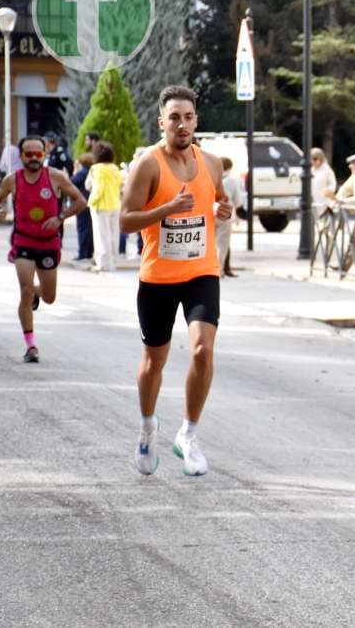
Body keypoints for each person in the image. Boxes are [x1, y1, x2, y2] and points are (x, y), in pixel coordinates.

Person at [120, 85, 233, 476]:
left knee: (203, 350)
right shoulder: (148, 165)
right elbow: (125, 219)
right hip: (158, 277)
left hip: (201, 271)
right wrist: (166, 208)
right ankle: (149, 427)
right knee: (155, 360)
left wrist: (224, 207)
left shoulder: (213, 162)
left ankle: (188, 434)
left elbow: (216, 198)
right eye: (174, 118)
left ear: (196, 121)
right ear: (161, 122)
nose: (181, 124)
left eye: (187, 117)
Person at [0, 136, 88, 362]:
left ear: (44, 155)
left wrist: (60, 217)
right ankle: (31, 346)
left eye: (38, 154)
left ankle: (35, 291)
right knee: (24, 291)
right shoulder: (13, 179)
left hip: (49, 243)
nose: (33, 158)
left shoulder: (56, 177)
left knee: (50, 297)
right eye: (28, 154)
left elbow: (81, 201)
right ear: (21, 155)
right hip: (23, 241)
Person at [87, 141, 122, 272]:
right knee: (114, 235)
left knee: (101, 235)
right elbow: (120, 183)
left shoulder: (96, 169)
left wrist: (93, 200)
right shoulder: (115, 168)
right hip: (115, 204)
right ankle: (113, 261)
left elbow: (93, 186)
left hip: (100, 205)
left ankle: (102, 263)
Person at [217, 157, 245, 277]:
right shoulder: (232, 180)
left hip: (211, 211)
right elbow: (238, 200)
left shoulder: (213, 176)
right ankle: (219, 269)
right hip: (226, 213)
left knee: (211, 243)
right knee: (222, 243)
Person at [71, 152, 95, 261]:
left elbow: (70, 183)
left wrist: (75, 169)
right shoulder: (92, 171)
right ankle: (89, 252)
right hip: (90, 203)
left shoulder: (82, 173)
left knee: (82, 228)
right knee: (89, 229)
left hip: (82, 204)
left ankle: (83, 253)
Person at [311, 147, 337, 219]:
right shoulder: (311, 170)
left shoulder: (327, 170)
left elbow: (333, 184)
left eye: (315, 159)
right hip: (313, 202)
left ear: (321, 159)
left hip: (324, 201)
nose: (313, 161)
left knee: (324, 223)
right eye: (312, 159)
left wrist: (328, 191)